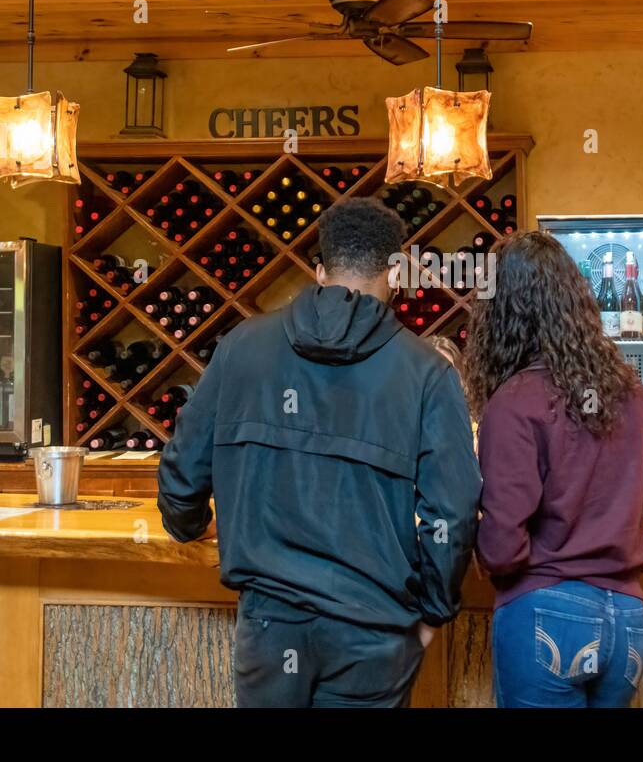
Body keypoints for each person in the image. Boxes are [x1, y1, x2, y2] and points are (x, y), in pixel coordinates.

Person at [157, 198, 482, 707]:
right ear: (394, 273)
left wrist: (189, 525)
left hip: (269, 625)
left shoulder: (242, 346)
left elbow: (182, 471)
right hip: (375, 629)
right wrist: (432, 613)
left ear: (318, 270)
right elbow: (454, 512)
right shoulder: (426, 372)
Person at [463, 231, 643, 708]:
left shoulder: (514, 404)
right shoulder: (635, 395)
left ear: (502, 314)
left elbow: (504, 545)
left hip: (546, 614)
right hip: (628, 621)